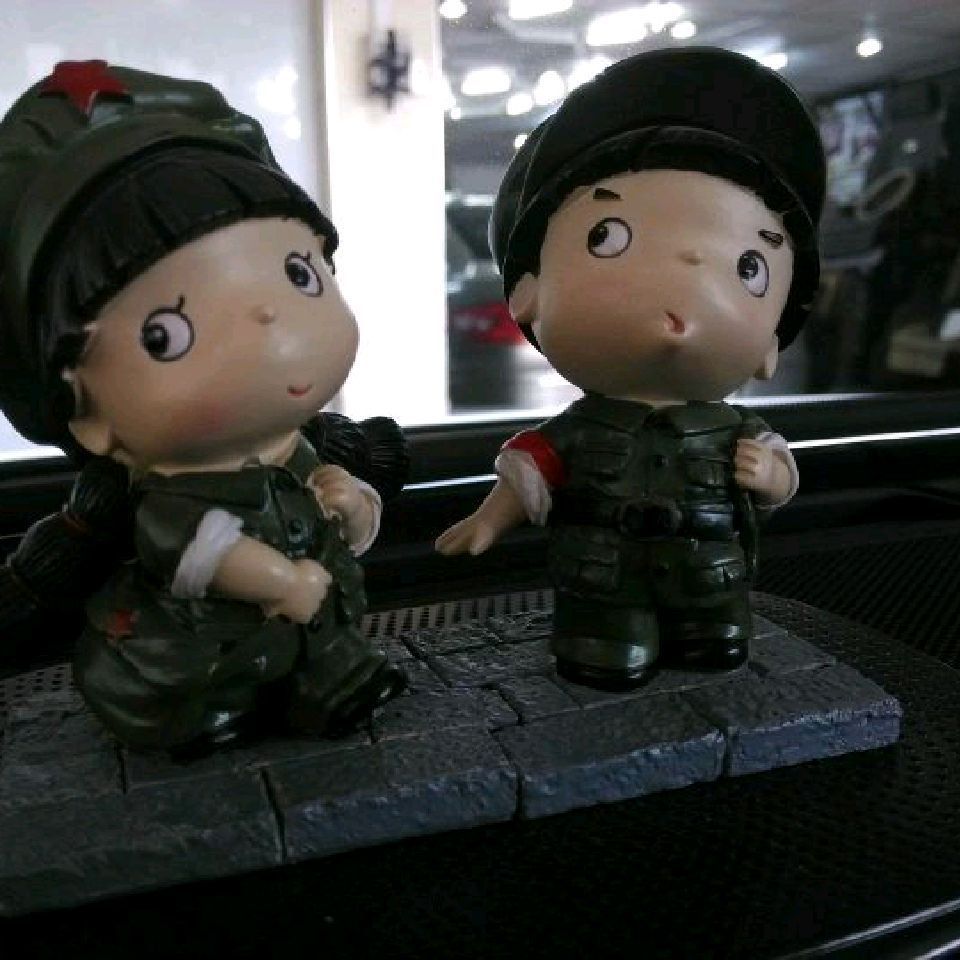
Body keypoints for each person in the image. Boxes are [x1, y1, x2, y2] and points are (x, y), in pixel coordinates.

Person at [0, 61, 406, 756]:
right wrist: (279, 579)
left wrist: (354, 504)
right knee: (201, 686)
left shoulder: (303, 450)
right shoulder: (168, 499)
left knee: (322, 648)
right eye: (167, 334)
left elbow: (338, 511)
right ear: (87, 415)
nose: (269, 325)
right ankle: (211, 714)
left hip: (303, 619)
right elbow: (203, 551)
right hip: (206, 648)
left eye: (299, 274)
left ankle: (324, 684)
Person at [437, 47, 826, 690]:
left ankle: (706, 633)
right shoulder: (575, 431)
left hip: (712, 580)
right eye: (608, 236)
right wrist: (490, 518)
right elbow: (532, 471)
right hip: (601, 582)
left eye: (749, 268)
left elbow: (779, 477)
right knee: (602, 657)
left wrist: (771, 476)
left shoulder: (738, 430)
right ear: (529, 294)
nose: (687, 274)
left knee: (717, 655)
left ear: (772, 343)